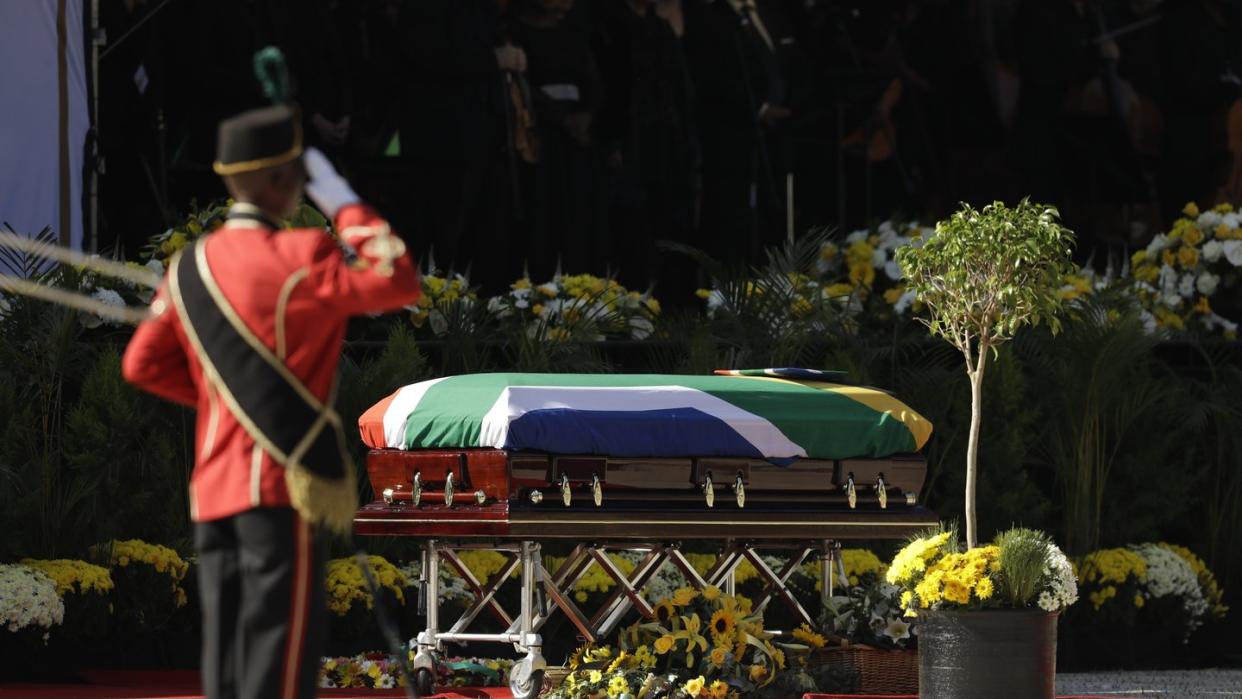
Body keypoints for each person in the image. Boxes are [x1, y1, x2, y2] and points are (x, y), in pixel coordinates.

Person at [121, 103, 421, 699]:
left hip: (213, 489)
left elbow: (141, 364)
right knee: (278, 666)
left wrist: (219, 404)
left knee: (228, 664)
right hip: (282, 484)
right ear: (287, 180)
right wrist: (340, 195)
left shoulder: (188, 266)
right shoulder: (302, 254)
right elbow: (397, 276)